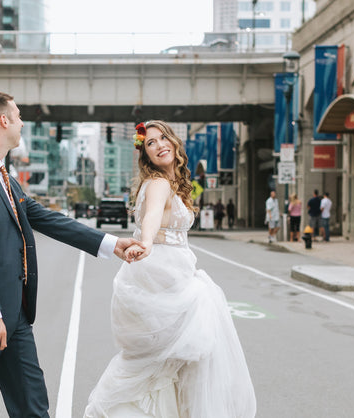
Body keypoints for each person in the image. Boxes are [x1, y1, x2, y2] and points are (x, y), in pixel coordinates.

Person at [0, 92, 140, 418]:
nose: (22, 123)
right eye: (18, 116)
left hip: (13, 315)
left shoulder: (2, 175)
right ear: (3, 120)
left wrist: (109, 243)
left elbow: (44, 217)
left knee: (32, 403)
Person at [84, 120, 256, 417]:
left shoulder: (168, 183)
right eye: (150, 143)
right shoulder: (160, 184)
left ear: (174, 142)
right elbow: (151, 216)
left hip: (168, 275)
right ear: (145, 155)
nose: (159, 144)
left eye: (163, 137)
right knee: (182, 360)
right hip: (162, 278)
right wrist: (147, 242)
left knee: (167, 364)